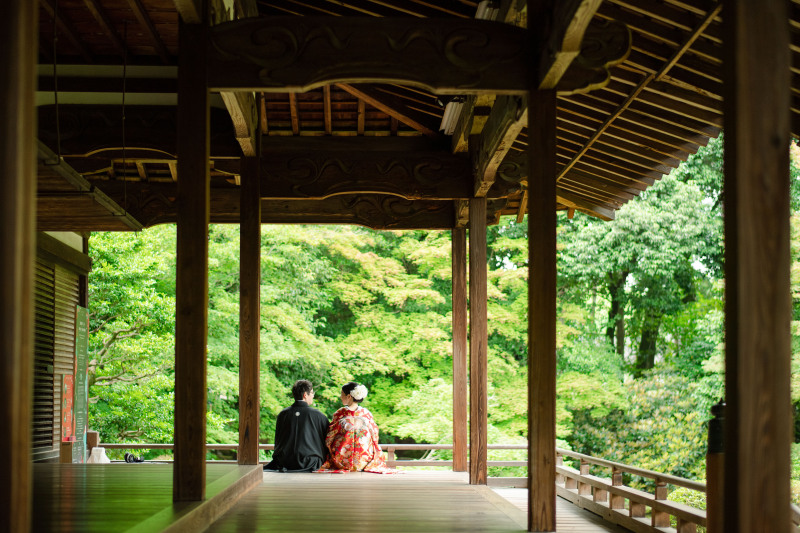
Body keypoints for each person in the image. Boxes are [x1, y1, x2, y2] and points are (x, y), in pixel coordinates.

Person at [320, 381, 392, 473]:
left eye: (342, 394)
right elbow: (375, 435)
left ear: (349, 396)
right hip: (364, 461)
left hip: (341, 461)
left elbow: (330, 435)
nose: (340, 397)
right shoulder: (366, 414)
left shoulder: (340, 414)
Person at [264, 379, 329, 472]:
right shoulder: (319, 415)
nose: (313, 395)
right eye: (311, 393)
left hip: (284, 462)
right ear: (305, 395)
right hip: (310, 461)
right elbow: (328, 439)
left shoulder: (283, 414)